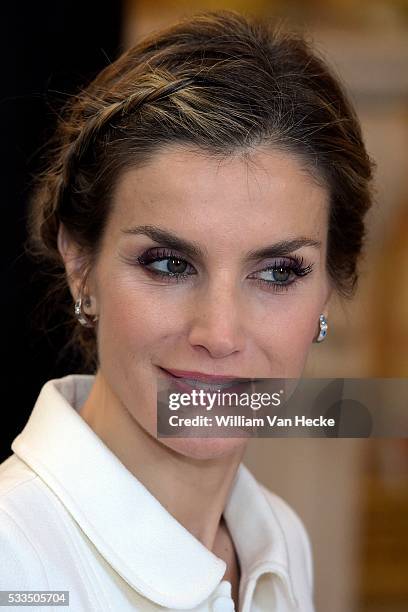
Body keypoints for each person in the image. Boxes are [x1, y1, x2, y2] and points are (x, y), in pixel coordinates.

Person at [0, 9, 375, 612]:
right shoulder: (15, 566)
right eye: (169, 264)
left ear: (329, 284)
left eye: (278, 273)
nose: (220, 334)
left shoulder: (280, 540)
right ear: (80, 264)